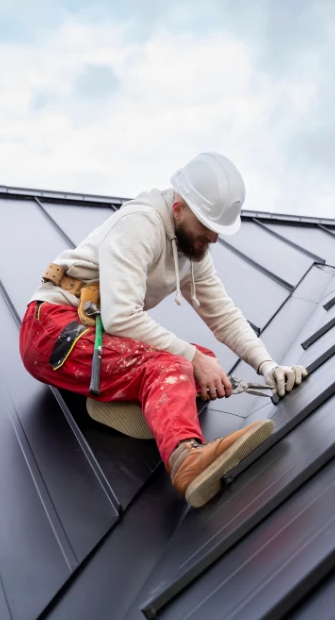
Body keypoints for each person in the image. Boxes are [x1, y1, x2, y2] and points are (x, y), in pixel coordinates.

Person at [19, 151, 307, 507]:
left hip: (93, 335)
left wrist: (268, 366)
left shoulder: (192, 250)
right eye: (207, 225)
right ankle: (187, 460)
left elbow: (224, 316)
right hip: (52, 331)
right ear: (178, 208)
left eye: (218, 229)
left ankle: (120, 400)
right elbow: (122, 317)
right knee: (173, 366)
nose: (213, 238)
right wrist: (187, 361)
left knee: (202, 361)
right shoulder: (141, 224)